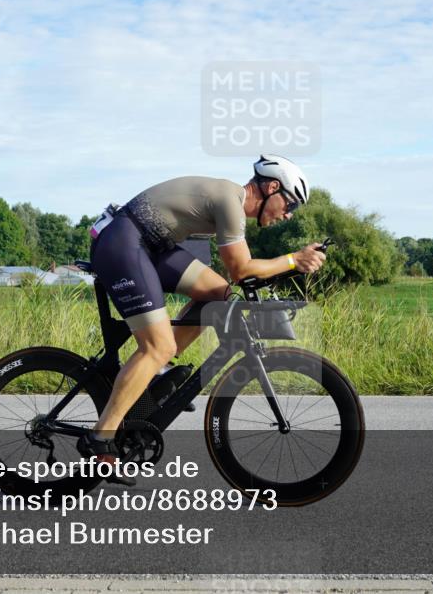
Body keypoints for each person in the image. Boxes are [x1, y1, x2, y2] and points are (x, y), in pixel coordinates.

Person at [76, 155, 326, 484]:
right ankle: (100, 438)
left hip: (150, 244)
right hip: (124, 242)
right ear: (272, 187)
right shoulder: (230, 202)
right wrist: (294, 260)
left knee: (219, 294)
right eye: (289, 204)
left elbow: (235, 280)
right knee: (156, 347)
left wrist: (287, 265)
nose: (288, 214)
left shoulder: (229, 203)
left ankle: (157, 373)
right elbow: (242, 269)